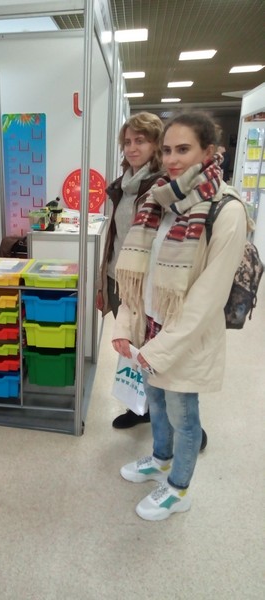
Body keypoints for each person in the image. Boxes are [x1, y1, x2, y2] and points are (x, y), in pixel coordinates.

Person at [112, 112, 248, 521]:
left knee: (183, 415)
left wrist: (162, 349)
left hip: (185, 336)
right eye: (168, 149)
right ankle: (161, 459)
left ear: (209, 152)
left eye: (184, 149)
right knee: (155, 401)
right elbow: (139, 272)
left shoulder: (226, 209)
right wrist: (126, 325)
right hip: (151, 325)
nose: (172, 159)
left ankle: (179, 489)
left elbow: (208, 298)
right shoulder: (159, 199)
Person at [96, 112, 163, 429]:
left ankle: (171, 414)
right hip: (116, 278)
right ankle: (138, 407)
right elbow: (115, 237)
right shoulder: (122, 186)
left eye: (141, 141)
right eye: (127, 142)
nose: (132, 148)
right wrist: (102, 282)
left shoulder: (161, 186)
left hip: (145, 282)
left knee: (151, 347)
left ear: (156, 144)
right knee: (128, 345)